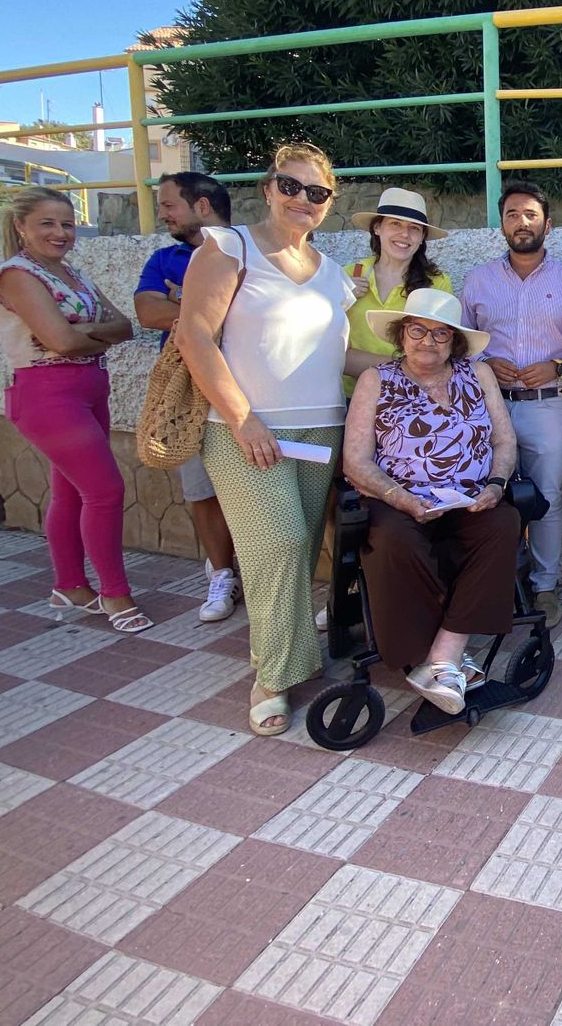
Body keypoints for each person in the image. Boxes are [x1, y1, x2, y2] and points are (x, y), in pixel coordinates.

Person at [175, 142, 360, 736]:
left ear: (329, 203)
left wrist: (408, 361)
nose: (302, 200)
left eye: (316, 192)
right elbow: (194, 335)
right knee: (277, 544)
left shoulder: (332, 272)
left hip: (322, 426)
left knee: (303, 550)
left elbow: (340, 353)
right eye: (291, 186)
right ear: (268, 186)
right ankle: (272, 676)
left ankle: (291, 652)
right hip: (246, 428)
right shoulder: (230, 247)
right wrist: (241, 417)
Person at [342, 289, 520, 714]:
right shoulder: (377, 380)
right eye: (418, 330)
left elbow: (504, 439)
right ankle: (430, 658)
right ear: (402, 335)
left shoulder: (478, 375)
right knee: (394, 541)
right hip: (395, 498)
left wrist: (495, 485)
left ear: (455, 342)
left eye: (441, 334)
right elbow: (355, 461)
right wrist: (401, 499)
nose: (428, 341)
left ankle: (444, 655)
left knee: (504, 523)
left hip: (468, 499)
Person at [0, 189, 152, 634]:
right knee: (105, 491)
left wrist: (85, 330)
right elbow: (62, 342)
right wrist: (80, 333)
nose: (60, 233)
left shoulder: (70, 273)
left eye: (67, 223)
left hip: (88, 389)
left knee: (71, 493)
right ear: (21, 226)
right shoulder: (16, 275)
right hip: (47, 396)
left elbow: (124, 326)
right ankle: (116, 594)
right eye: (47, 223)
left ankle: (69, 585)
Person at [463, 180, 562, 627]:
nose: (522, 222)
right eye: (513, 214)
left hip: (548, 405)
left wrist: (558, 366)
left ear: (547, 224)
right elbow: (457, 343)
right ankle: (493, 582)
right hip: (489, 407)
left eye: (530, 214)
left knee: (546, 498)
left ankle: (544, 587)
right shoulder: (479, 281)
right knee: (488, 494)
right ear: (503, 225)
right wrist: (486, 363)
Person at [134, 171, 241, 622]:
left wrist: (189, 309)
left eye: (168, 205)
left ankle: (254, 573)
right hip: (188, 390)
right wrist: (210, 310)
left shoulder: (247, 250)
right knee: (201, 490)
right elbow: (147, 310)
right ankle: (221, 573)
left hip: (245, 387)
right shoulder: (165, 257)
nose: (162, 214)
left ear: (201, 206)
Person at [342, 187, 454, 393]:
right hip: (353, 396)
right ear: (377, 228)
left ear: (422, 238)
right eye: (395, 224)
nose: (405, 234)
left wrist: (358, 361)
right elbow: (335, 352)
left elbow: (436, 354)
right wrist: (340, 300)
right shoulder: (348, 275)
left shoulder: (437, 283)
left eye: (414, 228)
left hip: (410, 397)